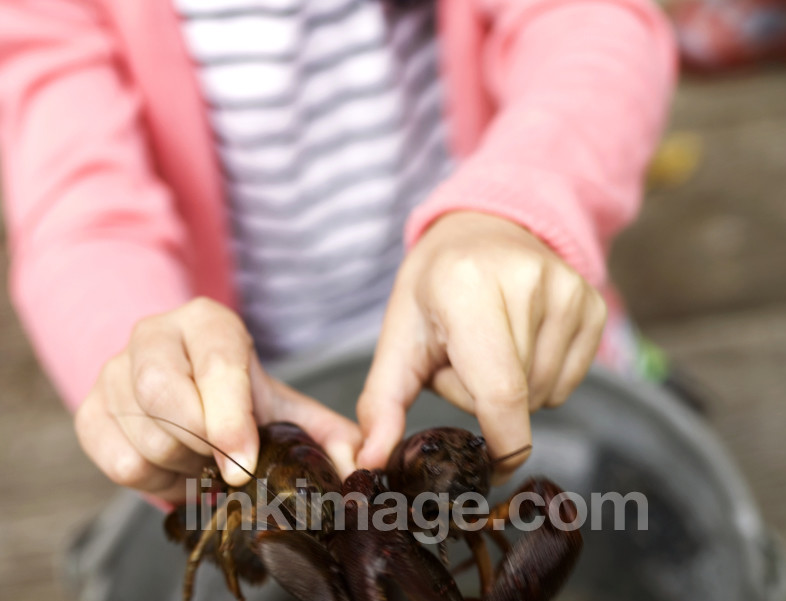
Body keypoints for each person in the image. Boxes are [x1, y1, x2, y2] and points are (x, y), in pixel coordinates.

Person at [0, 0, 677, 501]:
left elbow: (587, 21)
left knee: (620, 471)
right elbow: (81, 207)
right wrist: (147, 356)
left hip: (493, 298)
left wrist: (514, 209)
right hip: (261, 385)